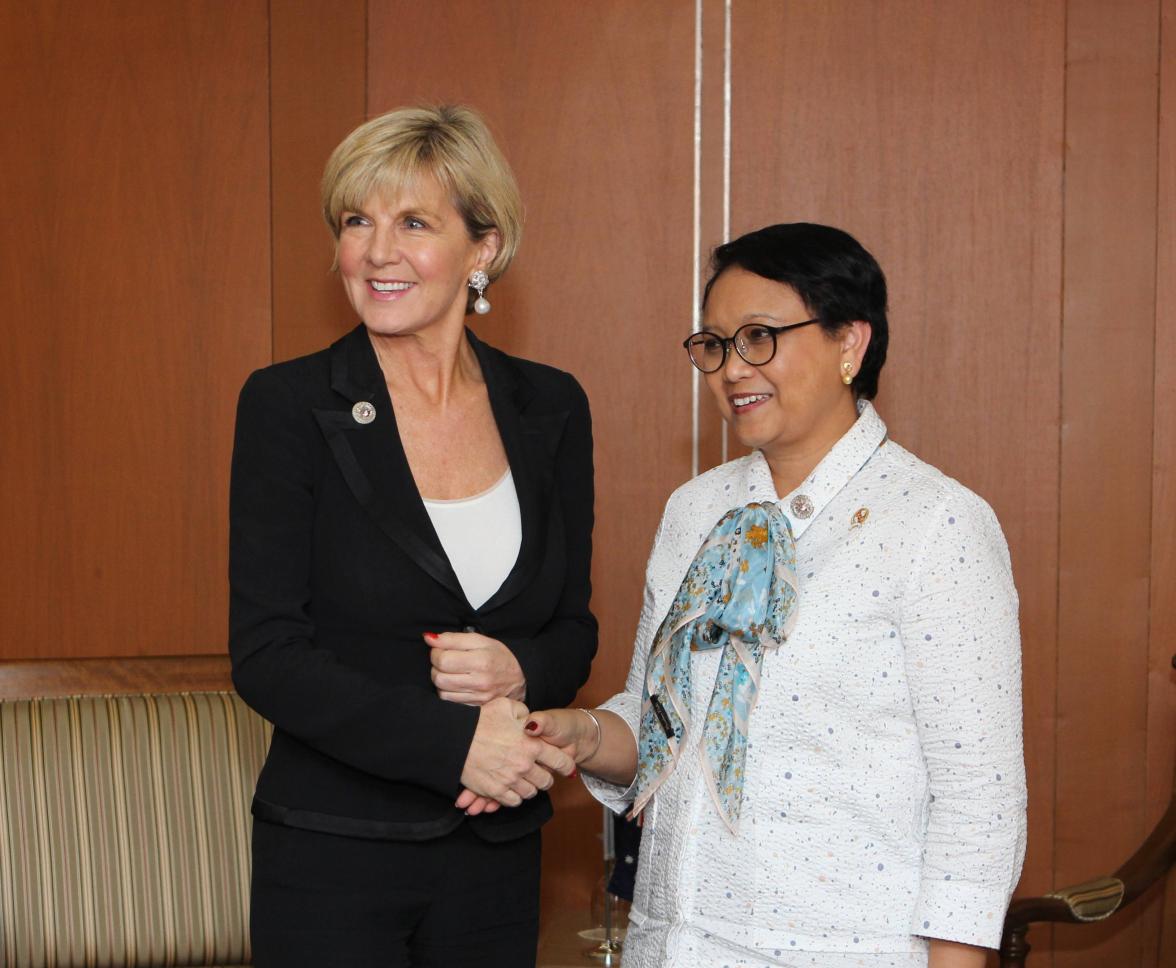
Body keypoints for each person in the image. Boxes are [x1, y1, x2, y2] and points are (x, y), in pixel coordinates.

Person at [527, 223, 1026, 968]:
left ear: (850, 344)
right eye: (716, 345)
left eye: (760, 336)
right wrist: (587, 735)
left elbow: (977, 801)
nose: (732, 369)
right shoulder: (694, 511)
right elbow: (661, 718)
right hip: (675, 941)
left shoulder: (934, 523)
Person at [228, 104, 596, 967]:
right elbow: (267, 653)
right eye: (357, 221)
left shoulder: (551, 406)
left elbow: (573, 627)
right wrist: (457, 747)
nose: (376, 252)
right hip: (332, 855)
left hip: (497, 855)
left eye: (415, 223)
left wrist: (523, 668)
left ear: (485, 248)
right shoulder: (288, 405)